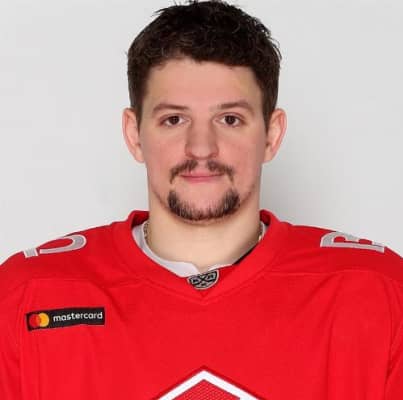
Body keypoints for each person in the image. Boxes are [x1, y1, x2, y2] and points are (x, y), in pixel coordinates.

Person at [0, 1, 401, 399]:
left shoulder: (377, 293)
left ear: (272, 135)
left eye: (230, 119)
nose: (202, 147)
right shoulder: (29, 295)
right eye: (174, 119)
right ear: (134, 135)